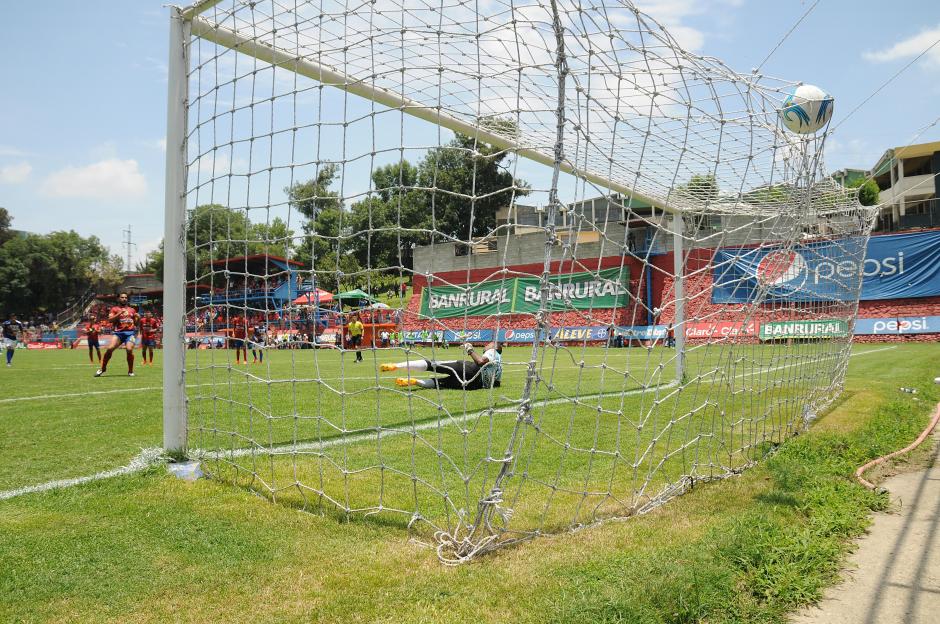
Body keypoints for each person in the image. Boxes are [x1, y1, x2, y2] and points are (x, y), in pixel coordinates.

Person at [381, 341, 502, 390]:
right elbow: (496, 384)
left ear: (495, 346)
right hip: (473, 385)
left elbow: (480, 362)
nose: (486, 345)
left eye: (489, 344)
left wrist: (469, 349)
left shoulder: (493, 352)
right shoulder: (499, 367)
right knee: (438, 383)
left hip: (470, 369)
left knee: (433, 364)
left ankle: (395, 366)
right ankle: (414, 381)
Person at [95, 292, 140, 377]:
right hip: (118, 333)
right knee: (110, 349)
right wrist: (119, 313)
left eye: (126, 297)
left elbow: (136, 323)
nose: (124, 299)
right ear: (118, 299)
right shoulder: (114, 309)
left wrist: (139, 318)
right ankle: (103, 368)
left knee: (129, 350)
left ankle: (130, 371)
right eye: (122, 297)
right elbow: (110, 320)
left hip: (130, 333)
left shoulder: (132, 310)